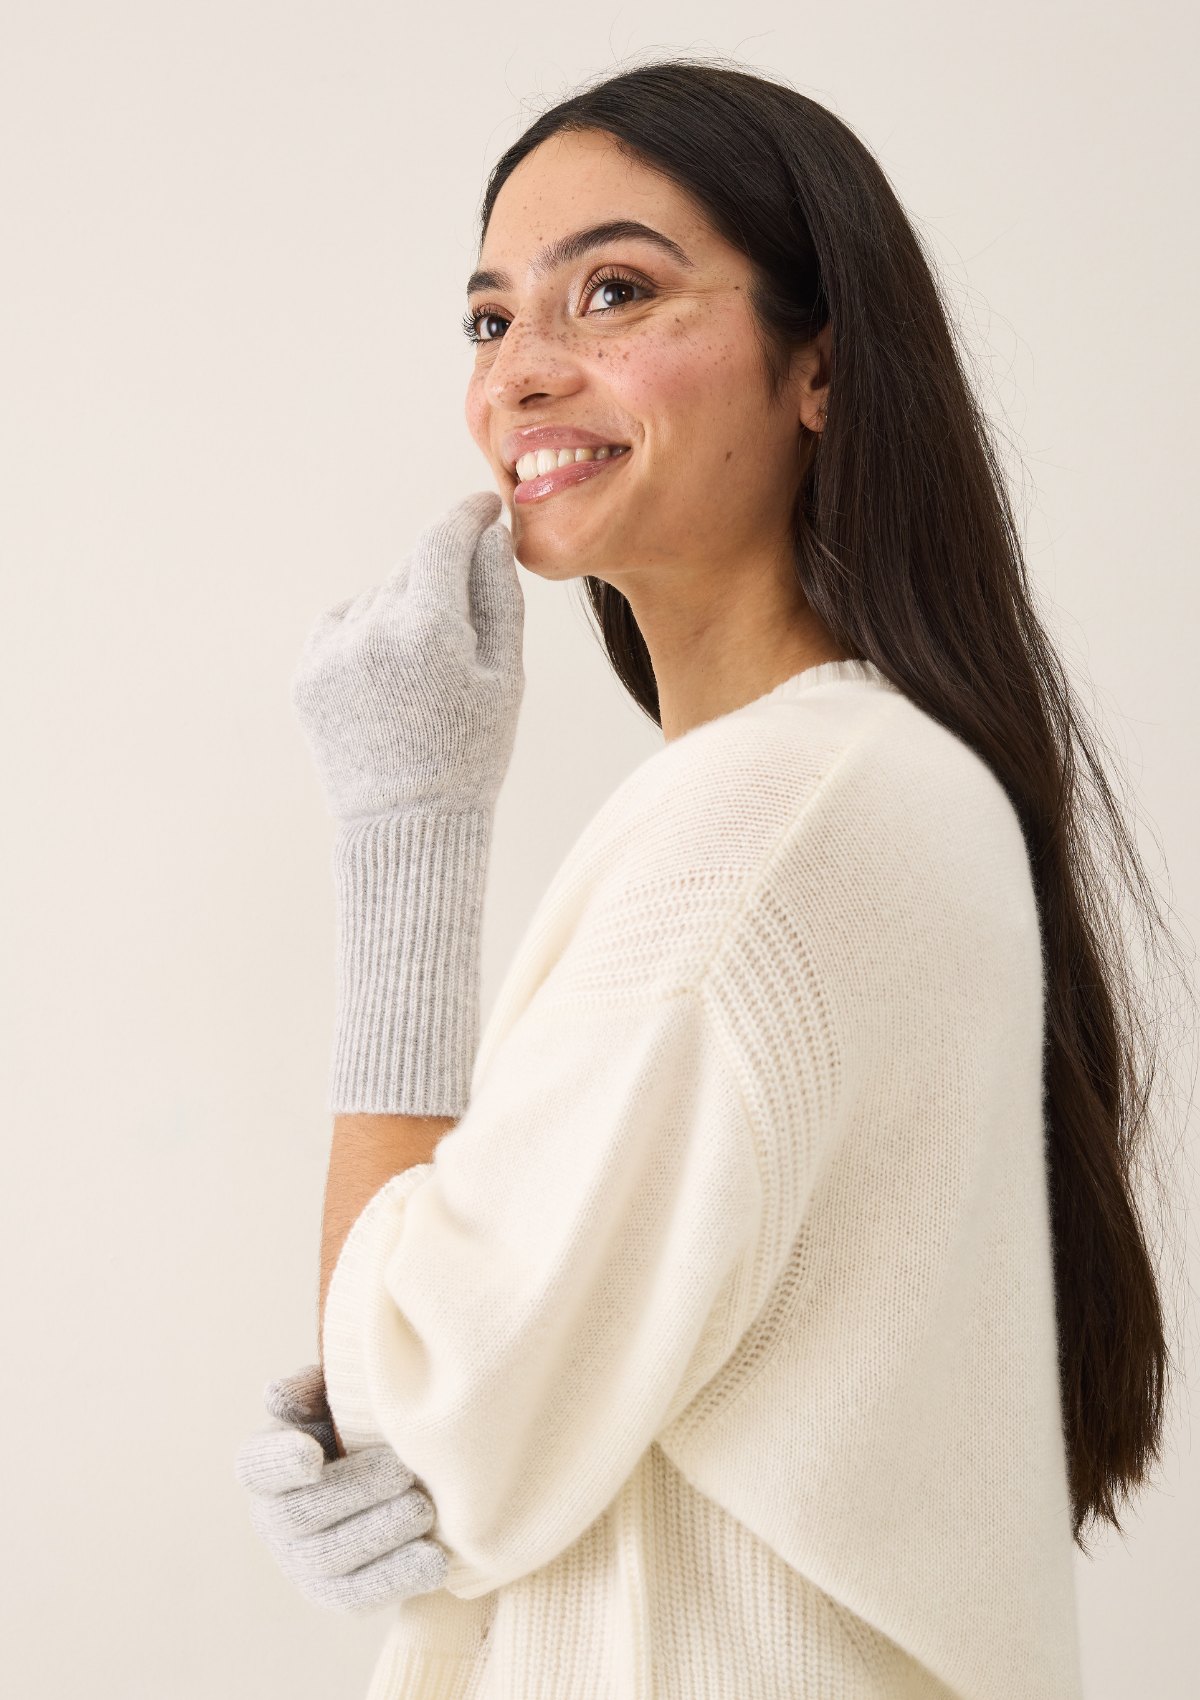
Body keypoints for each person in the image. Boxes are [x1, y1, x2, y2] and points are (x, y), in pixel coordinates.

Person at [235, 62, 1176, 1700]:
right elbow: (488, 1393)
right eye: (487, 321)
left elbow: (436, 1410)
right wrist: (386, 1429)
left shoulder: (780, 819)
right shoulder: (862, 788)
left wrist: (405, 823)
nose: (523, 371)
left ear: (818, 365)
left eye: (613, 291)